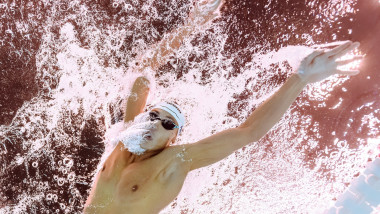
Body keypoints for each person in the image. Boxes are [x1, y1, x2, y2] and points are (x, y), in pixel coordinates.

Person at [83, 0, 363, 213]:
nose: (155, 123)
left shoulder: (174, 162)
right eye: (153, 115)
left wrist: (300, 79)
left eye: (167, 124)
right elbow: (143, 72)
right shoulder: (128, 135)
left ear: (173, 139)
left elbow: (247, 133)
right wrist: (192, 24)